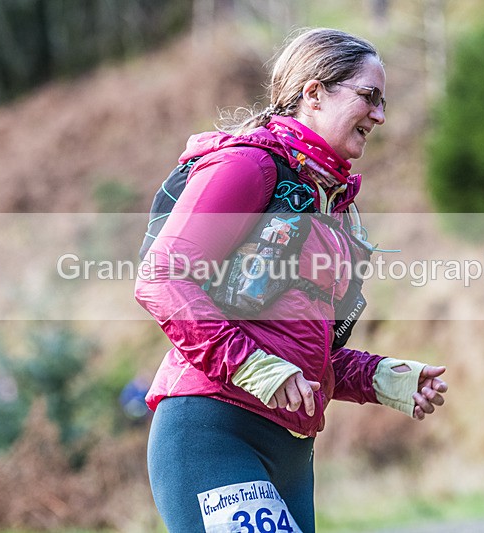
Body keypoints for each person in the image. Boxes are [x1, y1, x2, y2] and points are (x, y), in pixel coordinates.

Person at [134, 28, 448, 532]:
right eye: (368, 97)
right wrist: (255, 368)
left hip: (292, 454)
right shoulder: (248, 165)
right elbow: (161, 278)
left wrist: (379, 378)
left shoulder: (335, 212)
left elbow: (299, 353)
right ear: (314, 92)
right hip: (215, 430)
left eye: (384, 102)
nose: (381, 116)